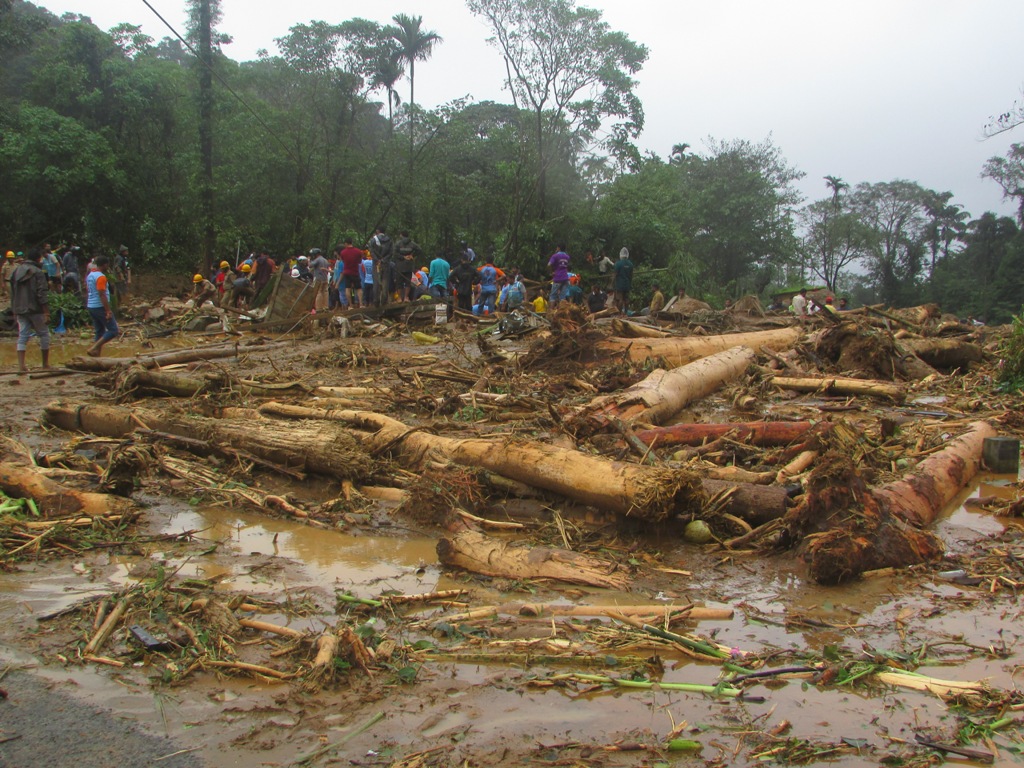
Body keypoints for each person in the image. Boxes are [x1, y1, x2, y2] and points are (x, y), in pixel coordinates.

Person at [9, 247, 50, 371]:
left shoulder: (16, 271)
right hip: (35, 309)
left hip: (20, 308)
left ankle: (21, 366)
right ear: (38, 258)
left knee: (22, 335)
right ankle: (45, 365)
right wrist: (46, 311)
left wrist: (14, 309)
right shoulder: (38, 272)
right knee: (44, 334)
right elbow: (41, 293)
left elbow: (13, 291)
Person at [85, 255, 119, 358]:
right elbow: (102, 294)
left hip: (91, 306)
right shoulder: (101, 277)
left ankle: (96, 359)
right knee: (113, 330)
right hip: (99, 306)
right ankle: (94, 348)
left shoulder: (90, 275)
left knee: (99, 331)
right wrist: (108, 310)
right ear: (105, 265)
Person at [335, 239, 365, 309]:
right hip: (355, 272)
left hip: (347, 272)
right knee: (358, 289)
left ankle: (350, 305)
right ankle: (361, 304)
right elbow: (360, 261)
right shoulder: (358, 251)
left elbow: (343, 260)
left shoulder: (343, 252)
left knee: (347, 289)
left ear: (346, 243)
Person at [369, 227, 394, 304]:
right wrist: (384, 260)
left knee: (376, 281)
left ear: (377, 231)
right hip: (386, 263)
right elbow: (391, 252)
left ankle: (376, 300)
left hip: (376, 264)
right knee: (385, 281)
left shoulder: (373, 240)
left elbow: (371, 251)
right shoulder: (389, 240)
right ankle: (384, 300)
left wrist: (377, 260)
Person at [394, 230, 421, 302]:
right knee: (408, 282)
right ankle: (406, 297)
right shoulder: (412, 244)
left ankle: (399, 298)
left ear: (401, 235)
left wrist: (402, 257)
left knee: (399, 282)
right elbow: (419, 249)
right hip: (409, 265)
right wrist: (412, 255)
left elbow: (395, 253)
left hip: (400, 265)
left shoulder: (398, 243)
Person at [612, 247, 634, 312]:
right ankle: (626, 312)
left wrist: (612, 283)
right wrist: (630, 283)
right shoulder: (630, 264)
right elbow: (631, 275)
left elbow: (615, 274)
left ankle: (619, 312)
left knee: (620, 299)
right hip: (627, 284)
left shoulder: (618, 264)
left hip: (620, 284)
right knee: (626, 299)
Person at [309, 247, 330, 311]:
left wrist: (309, 260)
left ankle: (319, 308)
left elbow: (310, 265)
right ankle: (325, 306)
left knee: (319, 292)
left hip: (318, 279)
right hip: (325, 278)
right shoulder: (325, 260)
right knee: (325, 292)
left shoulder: (317, 260)